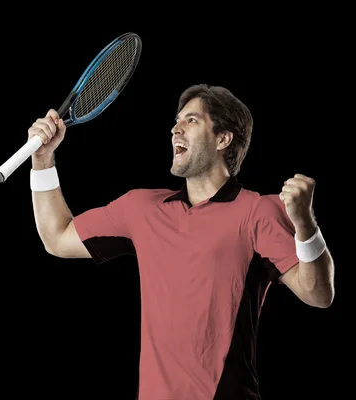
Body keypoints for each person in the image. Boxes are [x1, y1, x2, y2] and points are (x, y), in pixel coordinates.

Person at [27, 84, 335, 400]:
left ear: (223, 138)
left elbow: (318, 294)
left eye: (191, 120)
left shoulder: (257, 212)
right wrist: (42, 159)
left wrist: (306, 226)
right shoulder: (141, 209)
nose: (175, 128)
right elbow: (57, 237)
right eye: (177, 120)